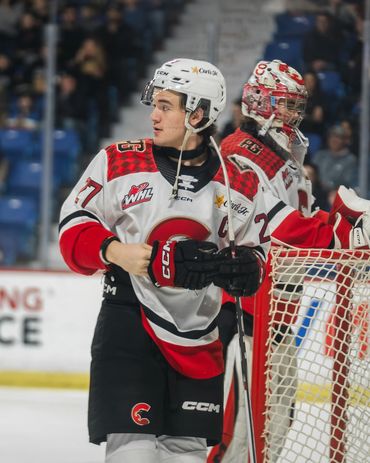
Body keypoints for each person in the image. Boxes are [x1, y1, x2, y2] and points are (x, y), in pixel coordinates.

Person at [58, 57, 270, 463]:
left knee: (186, 456)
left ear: (199, 113)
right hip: (129, 322)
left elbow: (256, 248)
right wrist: (117, 251)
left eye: (166, 106)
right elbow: (72, 226)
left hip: (201, 335)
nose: (153, 115)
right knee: (132, 454)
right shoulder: (119, 159)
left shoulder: (239, 180)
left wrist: (250, 266)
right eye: (154, 103)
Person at [208, 59, 370, 463]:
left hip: (280, 314)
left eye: (297, 106)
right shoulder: (238, 153)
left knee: (276, 425)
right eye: (285, 104)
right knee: (238, 430)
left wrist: (347, 247)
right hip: (245, 310)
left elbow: (307, 241)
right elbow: (273, 226)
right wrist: (341, 231)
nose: (294, 114)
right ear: (260, 102)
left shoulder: (289, 161)